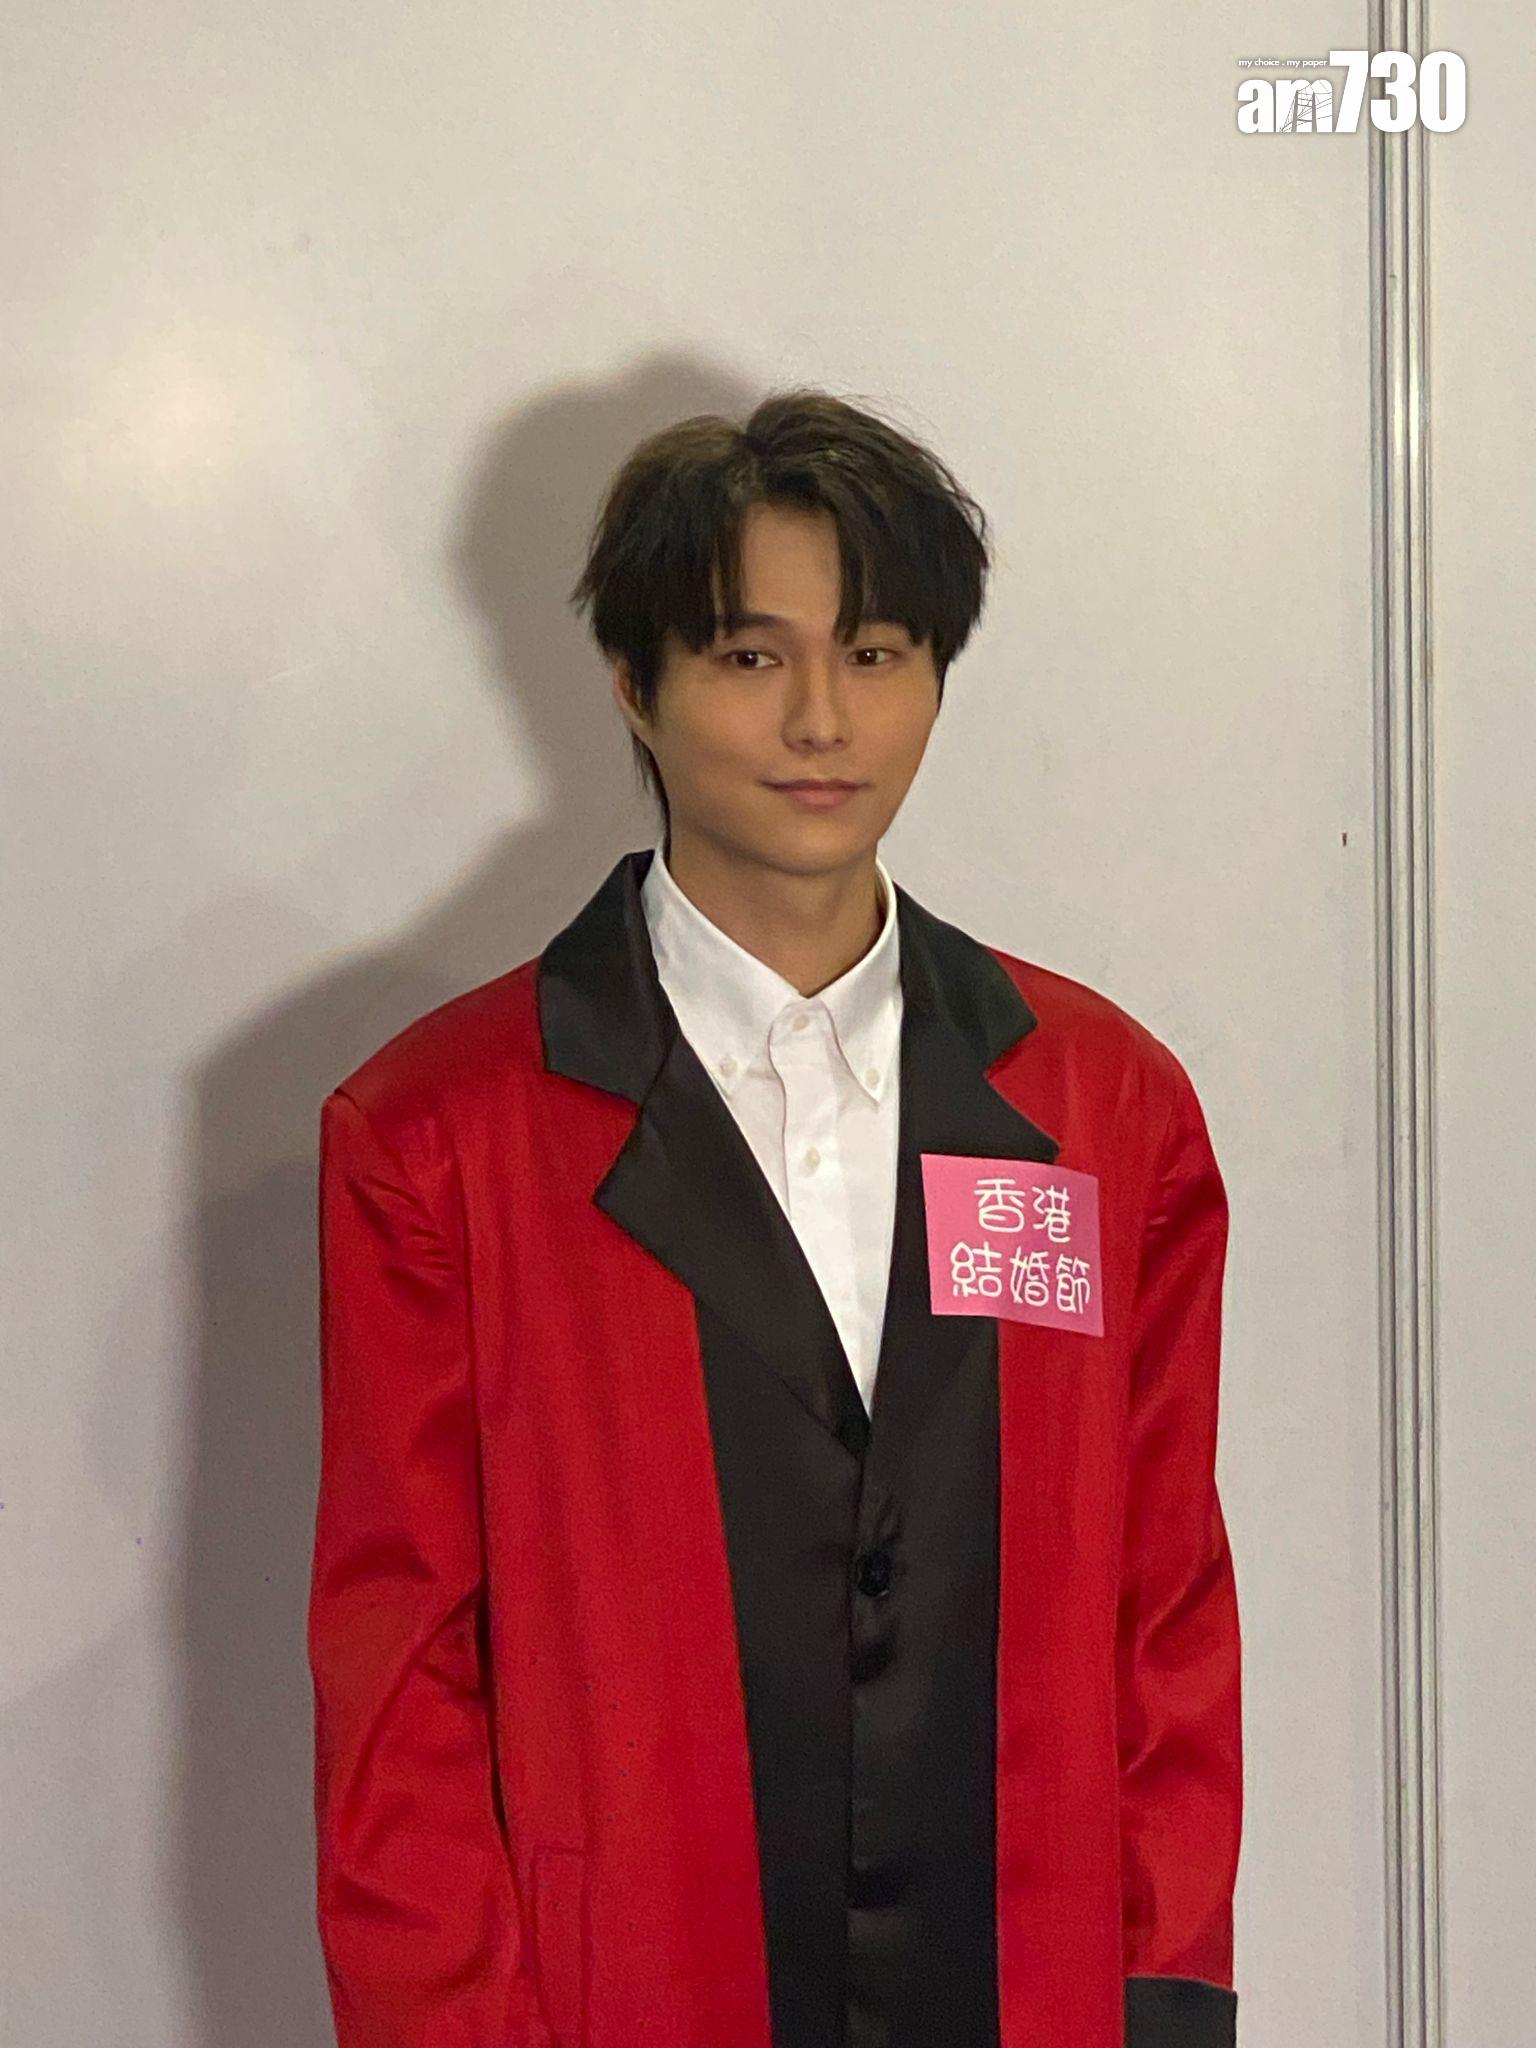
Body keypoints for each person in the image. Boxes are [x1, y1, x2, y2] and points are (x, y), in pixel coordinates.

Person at [307, 389, 1243, 2048]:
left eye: (877, 653)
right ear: (635, 682)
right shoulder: (438, 1135)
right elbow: (401, 1682)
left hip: (1032, 1995)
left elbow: (1164, 1606)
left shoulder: (1109, 1109)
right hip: (624, 1999)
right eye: (752, 656)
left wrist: (1166, 2001)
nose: (823, 718)